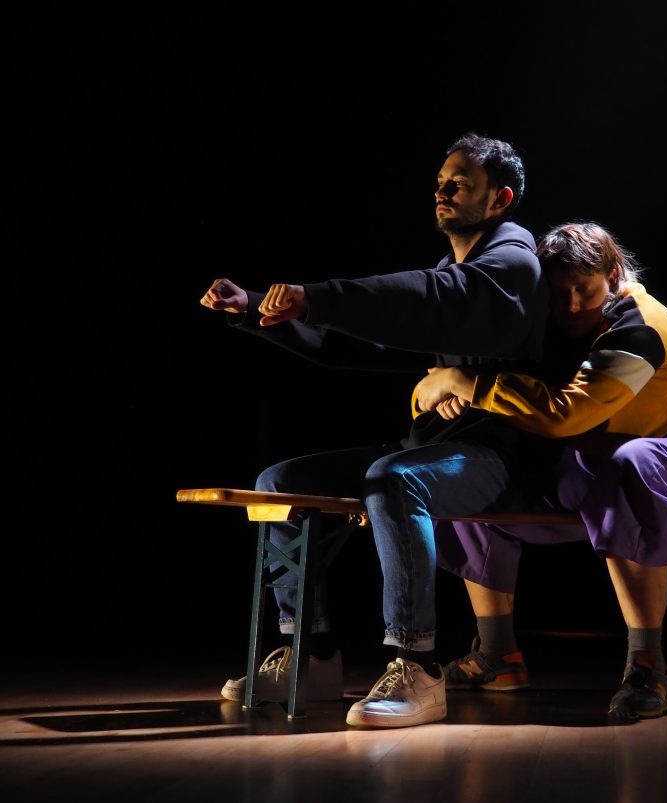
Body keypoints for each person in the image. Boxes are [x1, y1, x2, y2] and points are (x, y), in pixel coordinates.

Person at [199, 132, 562, 728]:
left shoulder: (512, 265)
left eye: (460, 183)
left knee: (395, 479)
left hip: (504, 458)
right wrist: (259, 307)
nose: (442, 191)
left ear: (499, 198)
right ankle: (312, 655)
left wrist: (316, 297)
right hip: (438, 450)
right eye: (440, 181)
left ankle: (417, 664)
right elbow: (367, 339)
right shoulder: (456, 271)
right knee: (280, 483)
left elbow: (432, 300)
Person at [413, 221, 667, 723]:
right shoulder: (548, 325)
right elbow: (478, 383)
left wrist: (467, 383)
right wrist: (442, 391)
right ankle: (498, 655)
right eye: (560, 294)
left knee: (636, 464)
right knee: (471, 474)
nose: (573, 305)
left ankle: (647, 665)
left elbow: (564, 415)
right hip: (603, 452)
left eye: (585, 289)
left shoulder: (642, 325)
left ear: (613, 276)